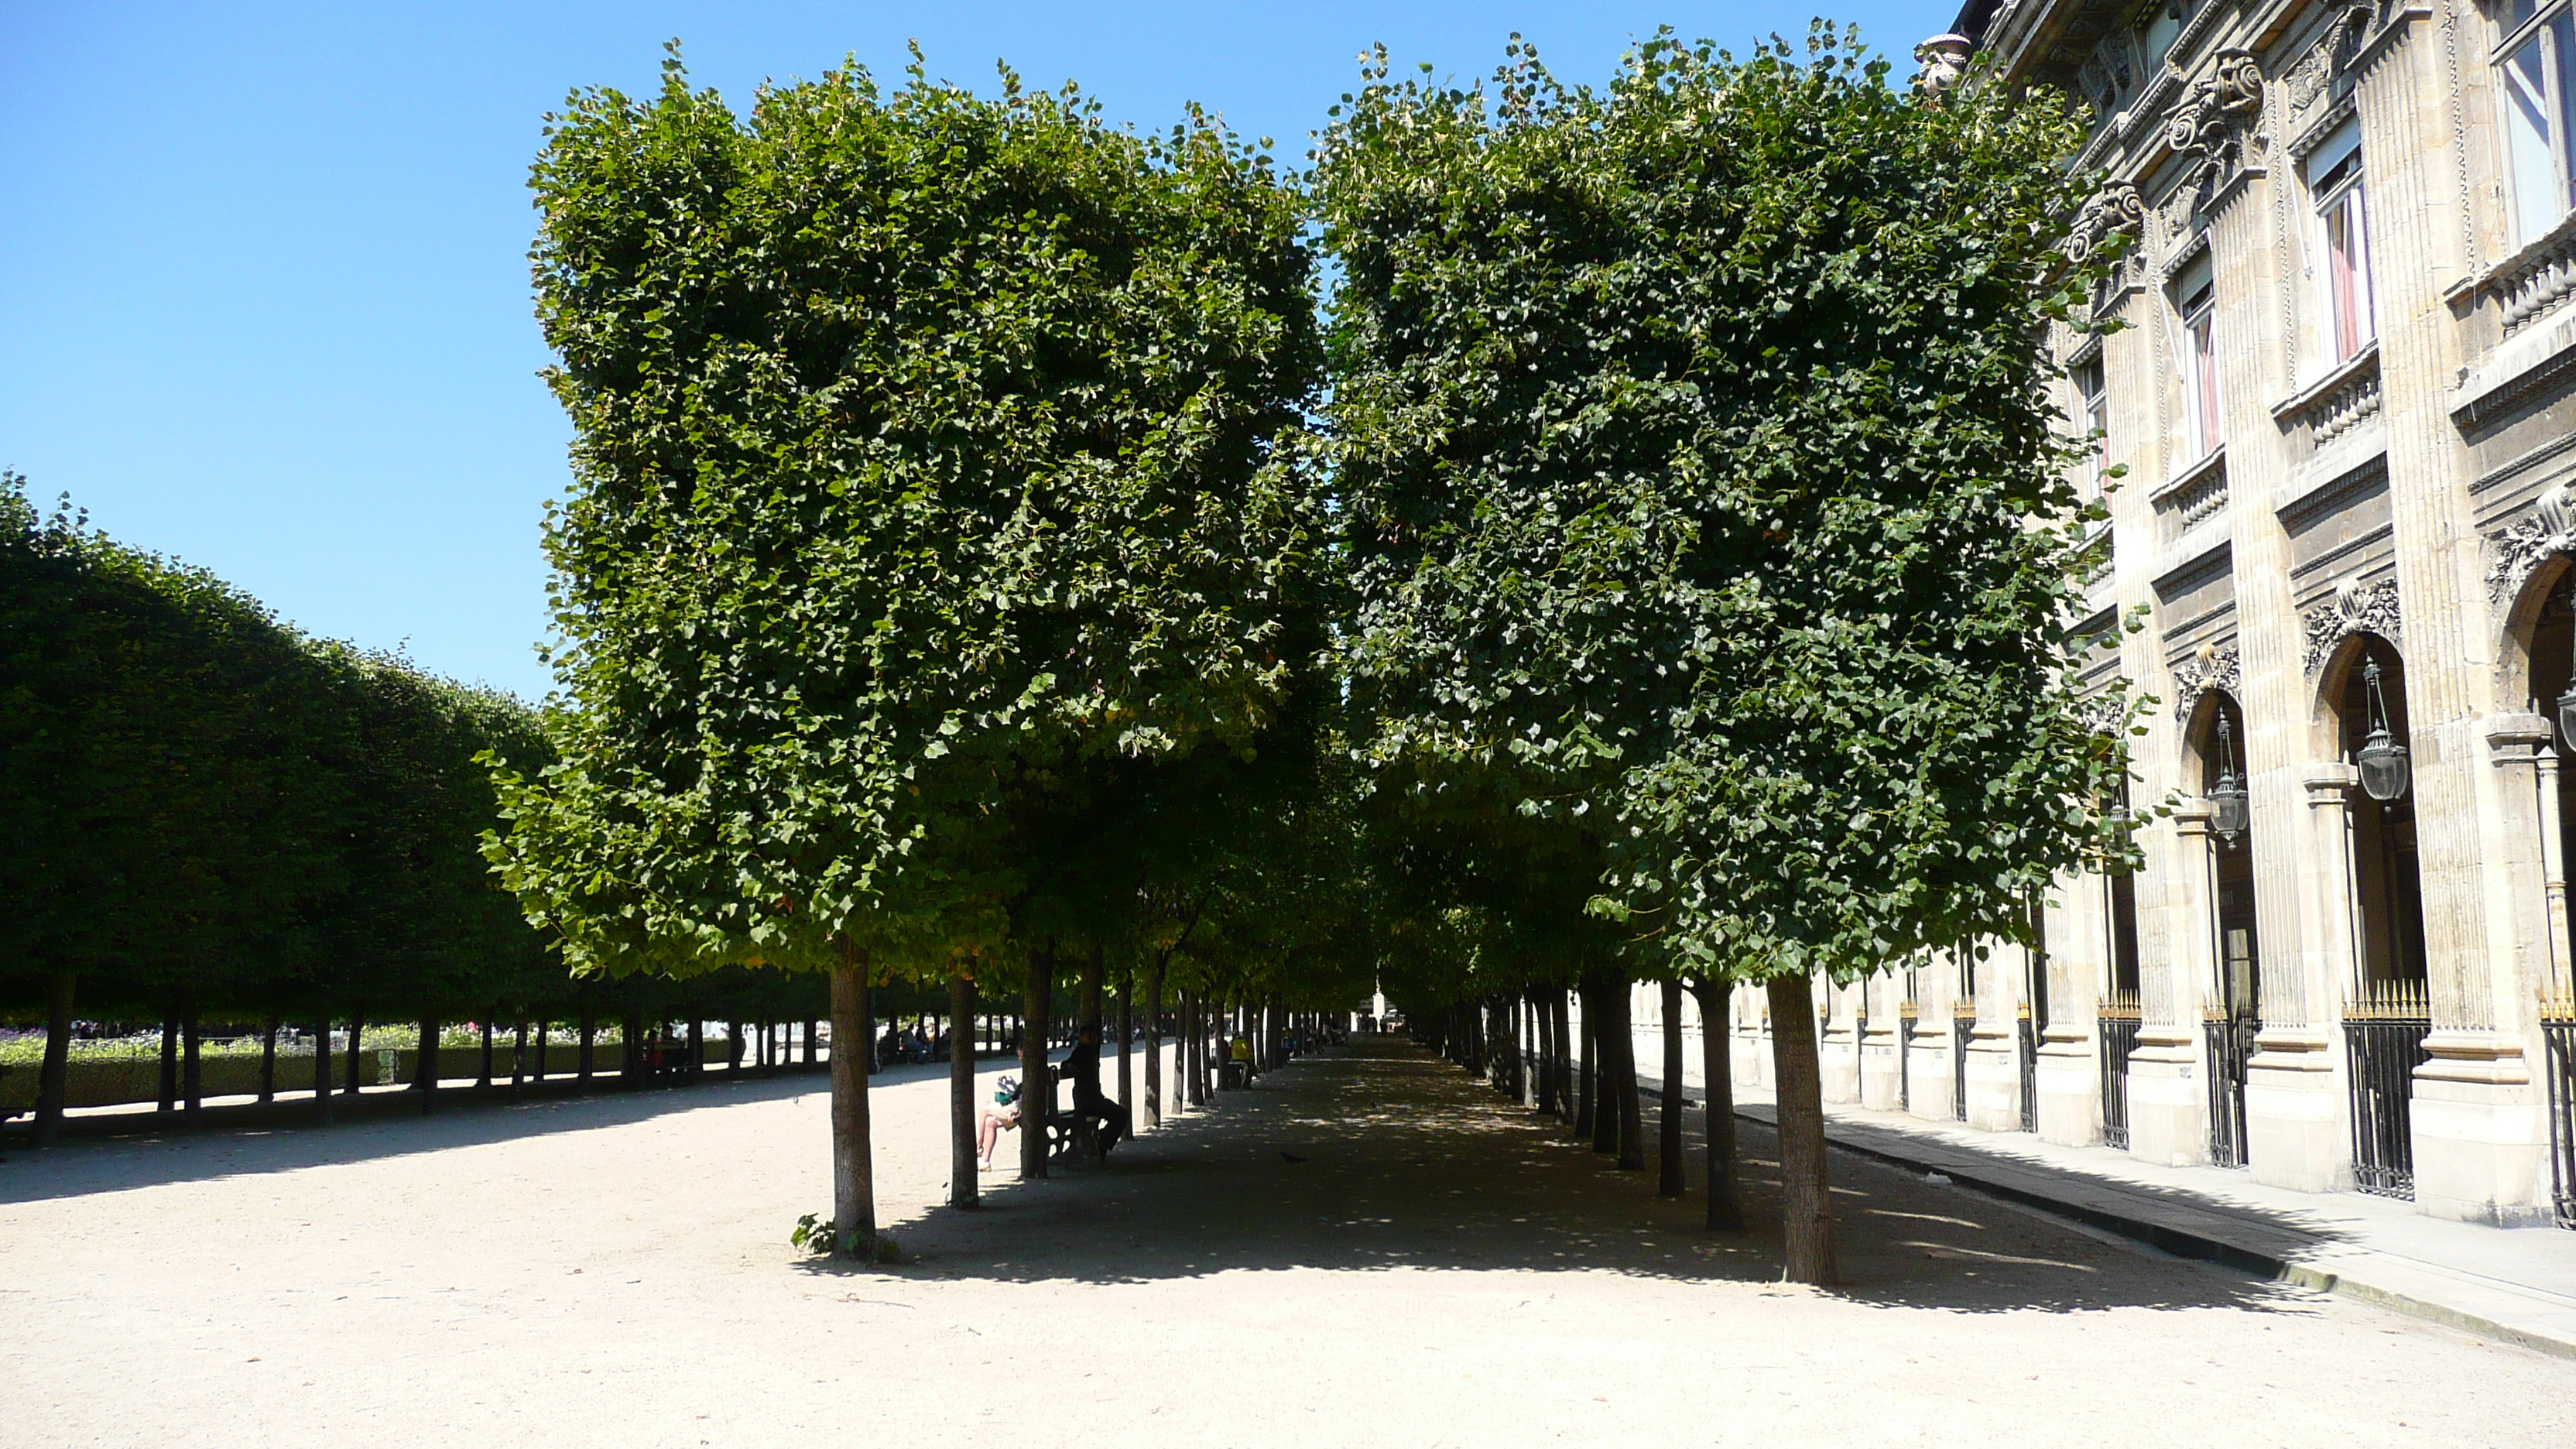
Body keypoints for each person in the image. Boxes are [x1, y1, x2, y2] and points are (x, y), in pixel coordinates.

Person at [1061, 1026, 1125, 1154]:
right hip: (1089, 1100)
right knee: (1121, 1115)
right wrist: (1069, 1066)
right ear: (1082, 1038)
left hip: (1091, 1098)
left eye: (1094, 1036)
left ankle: (1102, 1140)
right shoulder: (1081, 1052)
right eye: (1089, 1036)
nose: (1093, 1039)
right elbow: (1065, 1065)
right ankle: (1102, 1140)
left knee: (1120, 1114)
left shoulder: (1088, 1051)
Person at [978, 1074, 1023, 1170]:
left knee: (986, 1109)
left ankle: (978, 1147)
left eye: (1020, 1056)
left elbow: (1020, 1097)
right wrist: (1008, 1084)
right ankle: (985, 1161)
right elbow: (1020, 1094)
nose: (1019, 1057)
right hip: (1019, 1108)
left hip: (1017, 1110)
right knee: (990, 1122)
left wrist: (1018, 1114)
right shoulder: (1038, 1072)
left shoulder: (1032, 1071)